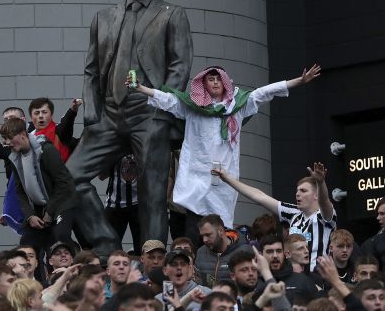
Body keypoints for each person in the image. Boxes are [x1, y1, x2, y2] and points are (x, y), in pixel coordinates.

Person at [65, 0, 193, 257]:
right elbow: (91, 69)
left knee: (152, 190)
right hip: (109, 114)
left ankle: (153, 257)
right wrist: (92, 116)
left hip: (149, 112)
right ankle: (107, 244)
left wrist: (163, 108)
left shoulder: (171, 14)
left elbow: (180, 66)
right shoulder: (104, 17)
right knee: (68, 178)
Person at [131, 64, 320, 236]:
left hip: (223, 181)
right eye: (210, 79)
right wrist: (140, 88)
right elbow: (168, 99)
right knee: (193, 231)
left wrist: (299, 81)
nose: (215, 82)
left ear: (225, 83)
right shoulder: (192, 107)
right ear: (203, 84)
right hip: (196, 179)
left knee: (221, 231)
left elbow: (264, 92)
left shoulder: (237, 107)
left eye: (218, 79)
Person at [212, 162, 334, 272]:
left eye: (303, 191)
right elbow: (259, 196)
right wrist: (227, 178)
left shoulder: (324, 216)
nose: (297, 194)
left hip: (319, 279)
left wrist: (321, 183)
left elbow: (325, 202)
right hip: (293, 276)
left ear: (316, 195)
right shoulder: (294, 213)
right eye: (297, 191)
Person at [0, 118, 80, 263]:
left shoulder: (46, 150)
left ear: (23, 133)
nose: (8, 143)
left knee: (60, 237)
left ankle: (73, 272)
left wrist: (50, 211)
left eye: (10, 138)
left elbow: (64, 184)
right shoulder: (15, 158)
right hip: (39, 209)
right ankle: (36, 281)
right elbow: (20, 192)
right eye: (5, 140)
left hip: (62, 203)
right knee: (28, 243)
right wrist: (30, 216)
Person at [195, 214, 250, 287]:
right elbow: (197, 281)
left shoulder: (244, 251)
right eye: (202, 236)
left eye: (208, 235)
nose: (204, 240)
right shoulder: (201, 252)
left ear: (220, 231)